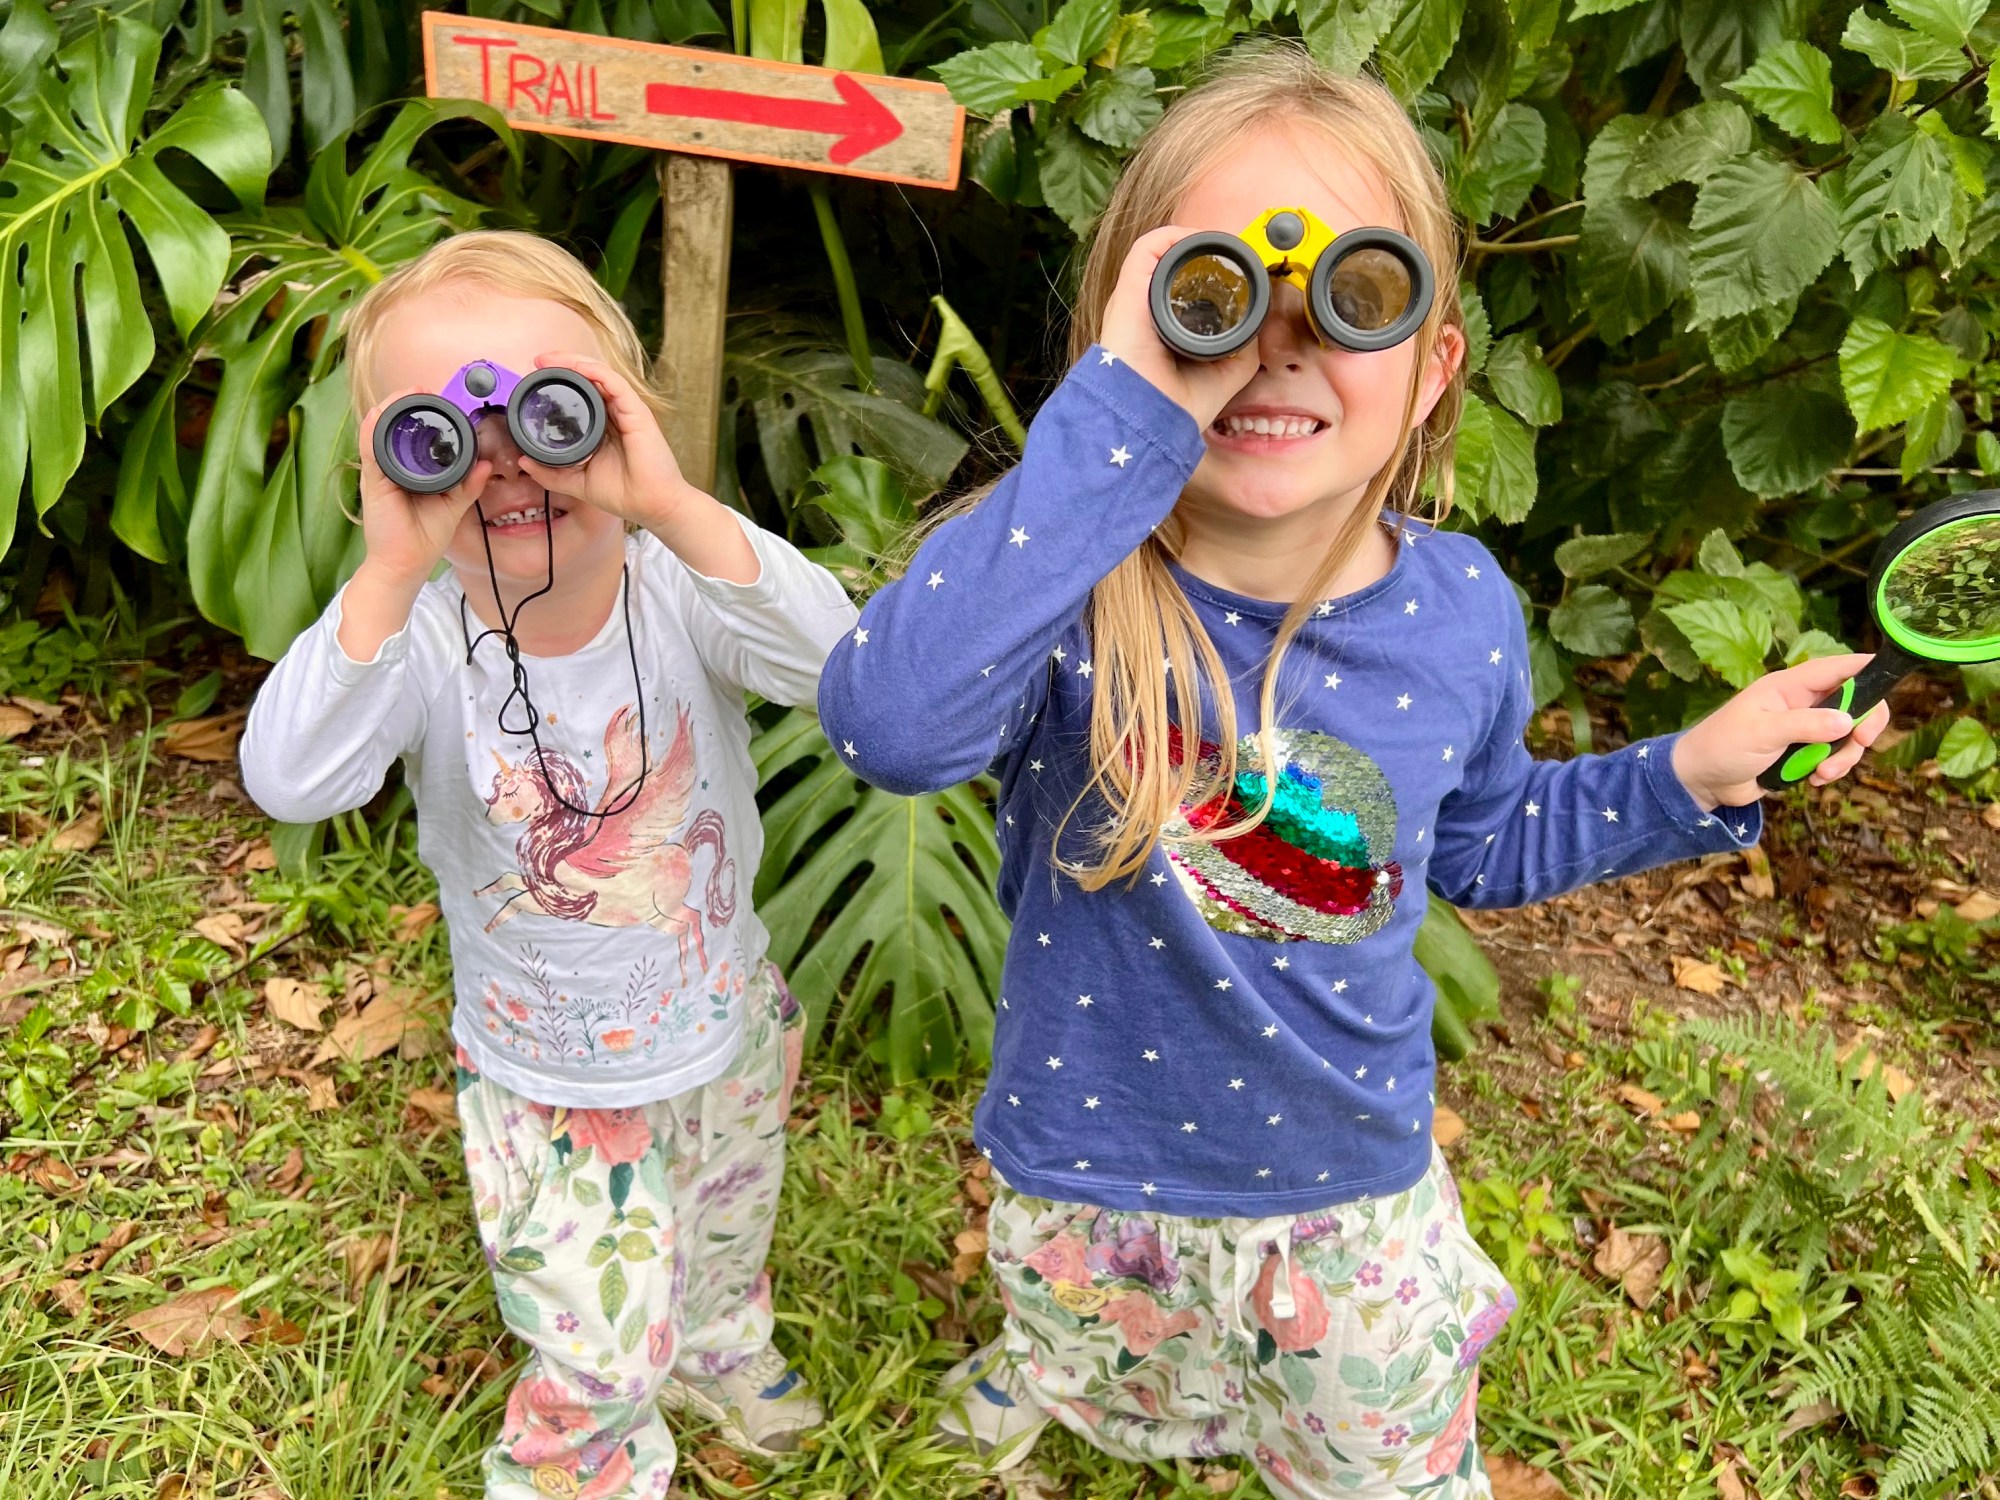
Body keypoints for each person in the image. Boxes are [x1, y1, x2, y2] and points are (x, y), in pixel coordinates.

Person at [816, 43, 1888, 1498]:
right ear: (1126, 339)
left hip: (1341, 1205)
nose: (1279, 341)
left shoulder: (1457, 613)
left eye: (1357, 295)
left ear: (1433, 364)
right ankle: (1062, 1371)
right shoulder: (1060, 590)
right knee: (1104, 1367)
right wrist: (1119, 423)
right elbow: (893, 726)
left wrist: (1687, 771)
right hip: (1081, 1177)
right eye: (1213, 295)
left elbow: (1483, 848)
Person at [241, 230, 857, 1500]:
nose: (505, 461)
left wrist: (678, 507)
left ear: (621, 418)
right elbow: (293, 780)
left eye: (549, 408)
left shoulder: (681, 586)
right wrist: (387, 565)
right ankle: (572, 1463)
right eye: (444, 432)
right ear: (390, 462)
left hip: (728, 1021)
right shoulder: (414, 633)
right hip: (548, 1074)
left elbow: (843, 675)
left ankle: (724, 1343)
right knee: (594, 1343)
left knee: (726, 1226)